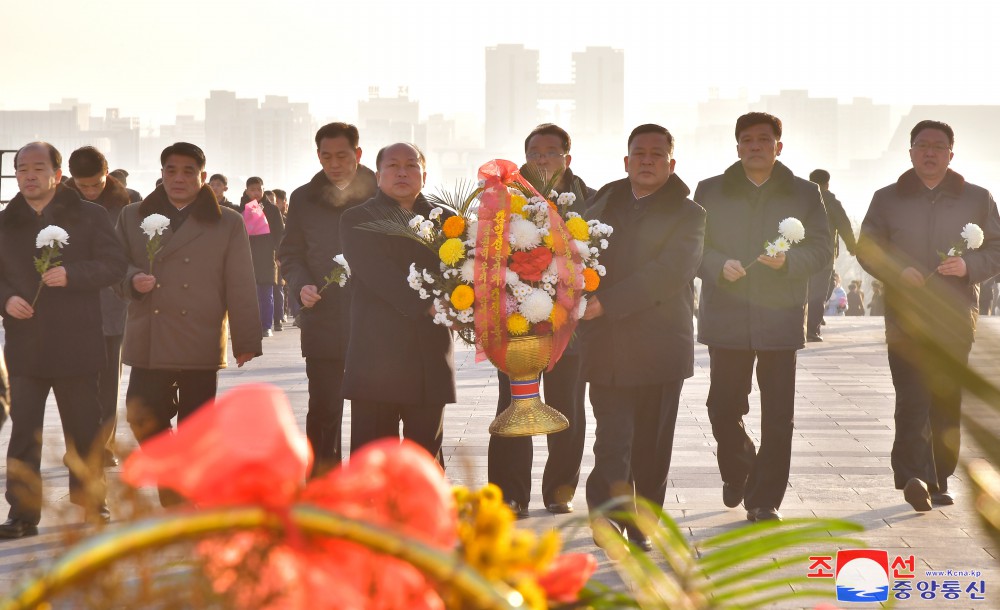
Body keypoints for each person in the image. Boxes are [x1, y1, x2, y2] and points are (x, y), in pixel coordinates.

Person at [695, 112, 832, 523]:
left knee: (778, 414)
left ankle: (764, 499)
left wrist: (789, 261)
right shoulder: (711, 190)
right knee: (723, 406)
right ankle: (738, 469)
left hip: (781, 317)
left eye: (764, 139)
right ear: (737, 147)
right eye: (747, 140)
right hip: (728, 316)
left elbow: (824, 248)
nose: (755, 146)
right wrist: (718, 264)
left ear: (779, 146)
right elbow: (692, 246)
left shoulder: (804, 193)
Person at [858, 120, 1000, 511]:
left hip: (955, 316)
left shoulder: (977, 198)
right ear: (910, 152)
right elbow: (868, 247)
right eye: (922, 145)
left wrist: (970, 266)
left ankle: (939, 477)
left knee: (946, 398)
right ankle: (913, 476)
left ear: (951, 153)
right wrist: (894, 271)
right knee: (911, 396)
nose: (930, 152)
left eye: (939, 146)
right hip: (906, 317)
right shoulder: (887, 199)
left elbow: (997, 249)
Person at [580, 124, 705, 551]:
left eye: (657, 154)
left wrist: (607, 303)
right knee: (612, 437)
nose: (647, 160)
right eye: (640, 153)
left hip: (659, 346)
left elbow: (670, 273)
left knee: (651, 446)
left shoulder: (690, 215)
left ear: (671, 164)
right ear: (626, 161)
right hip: (607, 344)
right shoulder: (598, 206)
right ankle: (607, 517)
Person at [117, 142, 262, 505]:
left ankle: (184, 490)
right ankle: (174, 477)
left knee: (197, 425)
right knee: (141, 413)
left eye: (187, 171)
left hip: (201, 331)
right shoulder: (133, 215)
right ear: (161, 172)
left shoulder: (227, 221)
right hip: (150, 330)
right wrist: (132, 280)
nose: (178, 178)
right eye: (171, 170)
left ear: (202, 174)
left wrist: (246, 338)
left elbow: (240, 280)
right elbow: (116, 265)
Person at [0, 142, 127, 538]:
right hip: (25, 345)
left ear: (58, 174)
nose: (29, 175)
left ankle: (92, 504)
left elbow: (114, 265)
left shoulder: (89, 216)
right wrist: (6, 300)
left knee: (83, 430)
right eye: (22, 169)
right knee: (24, 434)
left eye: (38, 168)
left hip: (77, 341)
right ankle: (22, 514)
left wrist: (74, 274)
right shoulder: (6, 222)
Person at [488, 123, 595, 518]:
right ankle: (510, 496)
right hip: (517, 324)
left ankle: (559, 491)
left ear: (568, 157)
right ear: (525, 158)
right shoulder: (504, 201)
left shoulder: (593, 202)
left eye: (551, 151)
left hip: (571, 327)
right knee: (514, 404)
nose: (543, 158)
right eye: (535, 152)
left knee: (568, 406)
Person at [340, 143, 455, 466]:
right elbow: (378, 274)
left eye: (411, 165)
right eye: (392, 166)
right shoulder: (358, 219)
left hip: (428, 354)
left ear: (424, 174)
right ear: (378, 176)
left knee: (425, 457)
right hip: (376, 356)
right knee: (372, 460)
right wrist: (430, 306)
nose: (402, 172)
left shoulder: (447, 220)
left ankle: (422, 516)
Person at [278, 122, 377, 476]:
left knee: (376, 407)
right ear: (317, 155)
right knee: (323, 406)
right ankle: (322, 482)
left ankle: (371, 482)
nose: (334, 164)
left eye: (342, 156)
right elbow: (290, 253)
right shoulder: (304, 197)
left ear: (358, 154)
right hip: (323, 315)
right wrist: (301, 285)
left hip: (376, 319)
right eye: (326, 156)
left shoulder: (381, 192)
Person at [66, 146, 132, 467]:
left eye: (96, 184)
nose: (91, 191)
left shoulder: (129, 202)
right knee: (74, 382)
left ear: (107, 173)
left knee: (107, 381)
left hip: (111, 303)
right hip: (70, 304)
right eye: (84, 186)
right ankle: (76, 447)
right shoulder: (59, 204)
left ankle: (103, 445)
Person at [806, 169, 858, 341]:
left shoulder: (801, 199)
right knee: (820, 290)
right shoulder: (831, 202)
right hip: (824, 254)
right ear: (827, 183)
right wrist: (852, 246)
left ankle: (813, 318)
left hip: (802, 254)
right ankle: (812, 330)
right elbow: (844, 225)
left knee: (811, 289)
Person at [242, 177, 285, 337]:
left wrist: (279, 253)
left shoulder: (272, 210)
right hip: (246, 255)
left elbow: (280, 234)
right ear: (247, 191)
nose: (256, 192)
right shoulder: (241, 208)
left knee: (266, 292)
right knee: (248, 293)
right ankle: (251, 325)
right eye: (252, 189)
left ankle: (266, 325)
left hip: (267, 256)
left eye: (259, 189)